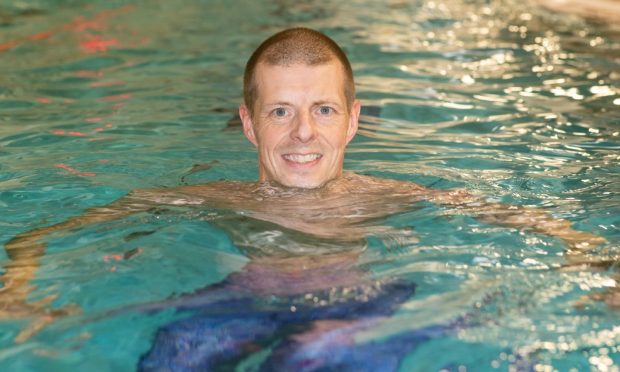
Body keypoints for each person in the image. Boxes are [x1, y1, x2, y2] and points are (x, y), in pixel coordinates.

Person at [0, 28, 605, 368]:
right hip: (240, 299)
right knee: (174, 359)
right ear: (247, 122)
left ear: (352, 121)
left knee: (315, 356)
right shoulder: (217, 198)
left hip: (358, 308)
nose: (303, 135)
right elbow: (45, 233)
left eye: (323, 110)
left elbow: (522, 219)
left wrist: (597, 262)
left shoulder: (385, 197)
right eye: (281, 112)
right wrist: (16, 290)